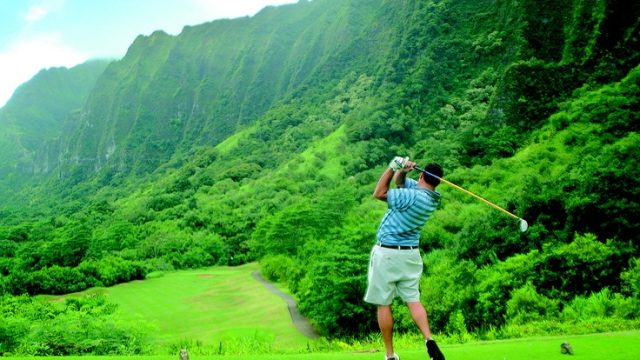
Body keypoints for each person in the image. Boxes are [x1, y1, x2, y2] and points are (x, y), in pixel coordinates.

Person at [364, 156, 446, 360]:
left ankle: (390, 355)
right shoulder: (431, 197)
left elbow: (379, 193)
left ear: (422, 175)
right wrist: (403, 171)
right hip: (410, 255)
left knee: (384, 303)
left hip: (388, 254)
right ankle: (429, 340)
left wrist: (392, 166)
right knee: (413, 300)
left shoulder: (412, 196)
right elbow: (400, 183)